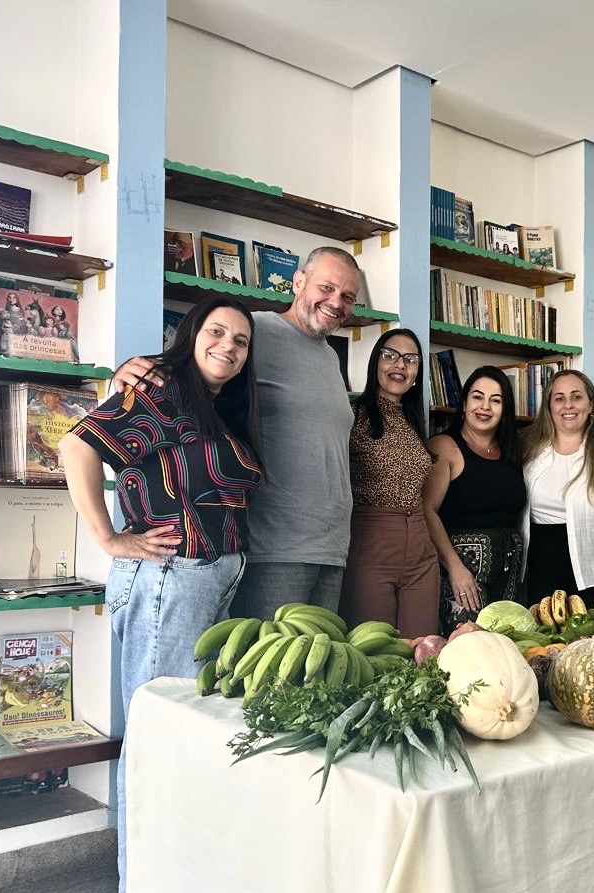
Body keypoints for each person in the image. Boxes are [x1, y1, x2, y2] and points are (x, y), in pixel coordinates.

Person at [58, 294, 263, 893]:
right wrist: (108, 538)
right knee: (154, 736)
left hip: (206, 582)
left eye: (241, 341)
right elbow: (78, 446)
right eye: (217, 332)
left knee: (180, 732)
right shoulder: (164, 388)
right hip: (169, 580)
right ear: (191, 333)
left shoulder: (215, 403)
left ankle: (174, 886)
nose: (228, 346)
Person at [113, 246, 360, 618]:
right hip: (273, 548)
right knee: (268, 674)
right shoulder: (255, 330)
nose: (335, 302)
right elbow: (188, 365)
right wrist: (125, 370)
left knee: (320, 675)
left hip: (331, 548)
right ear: (298, 282)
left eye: (347, 296)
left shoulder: (330, 356)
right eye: (326, 288)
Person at [338, 328, 440, 637]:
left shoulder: (415, 421)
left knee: (423, 653)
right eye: (390, 356)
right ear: (375, 363)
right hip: (370, 548)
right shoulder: (352, 416)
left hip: (422, 551)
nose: (400, 366)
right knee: (375, 653)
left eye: (410, 360)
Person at [522, 369, 594, 609]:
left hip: (592, 576)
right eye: (559, 398)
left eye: (576, 397)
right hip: (537, 573)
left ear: (590, 405)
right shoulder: (528, 449)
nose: (568, 405)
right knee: (539, 645)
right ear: (549, 407)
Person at [423, 365, 526, 633]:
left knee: (508, 659)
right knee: (465, 655)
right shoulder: (445, 447)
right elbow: (427, 510)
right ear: (465, 402)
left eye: (496, 400)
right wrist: (455, 568)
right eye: (478, 397)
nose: (485, 407)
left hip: (510, 583)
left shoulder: (513, 452)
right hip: (461, 582)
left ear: (505, 409)